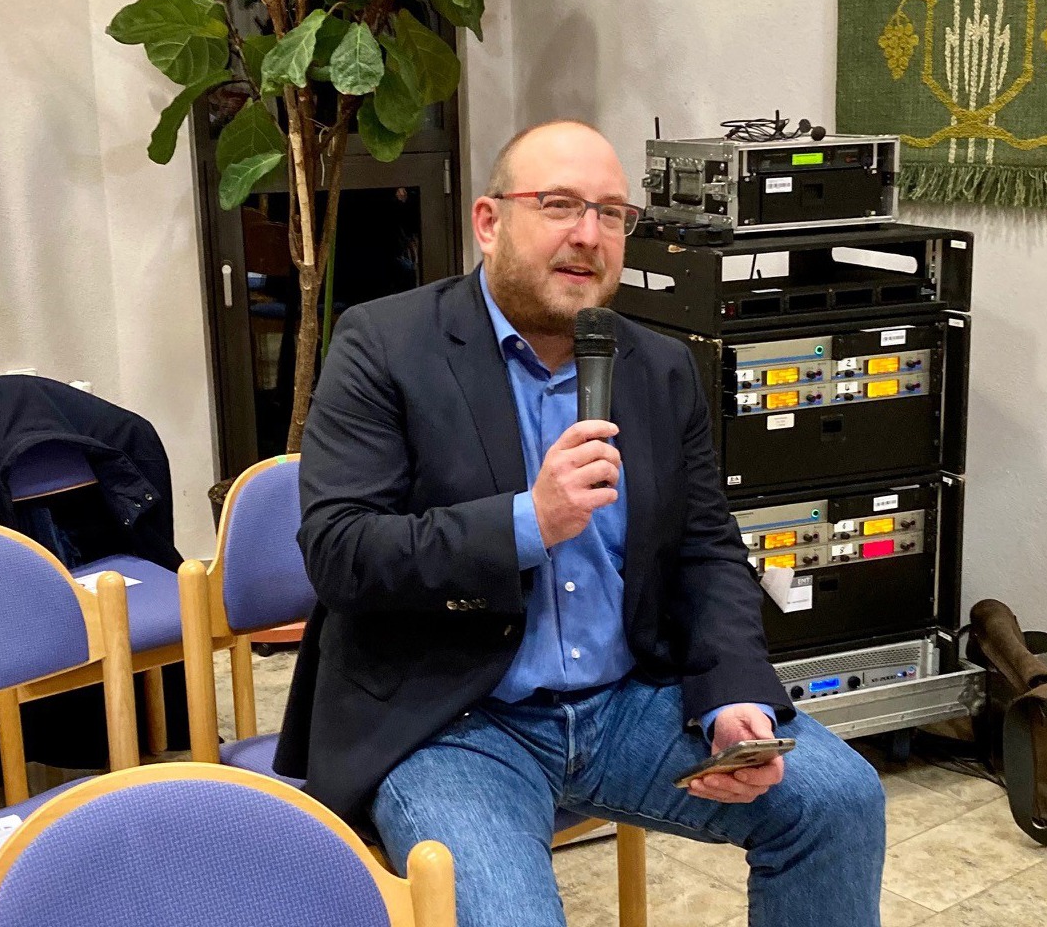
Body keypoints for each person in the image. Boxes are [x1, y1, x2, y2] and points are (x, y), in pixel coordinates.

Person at [274, 119, 885, 926]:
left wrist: (737, 696)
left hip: (626, 702)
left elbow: (707, 551)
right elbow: (342, 551)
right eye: (559, 205)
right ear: (490, 223)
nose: (588, 236)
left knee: (839, 800)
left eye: (610, 213)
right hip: (454, 719)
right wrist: (530, 520)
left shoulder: (659, 367)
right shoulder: (384, 345)